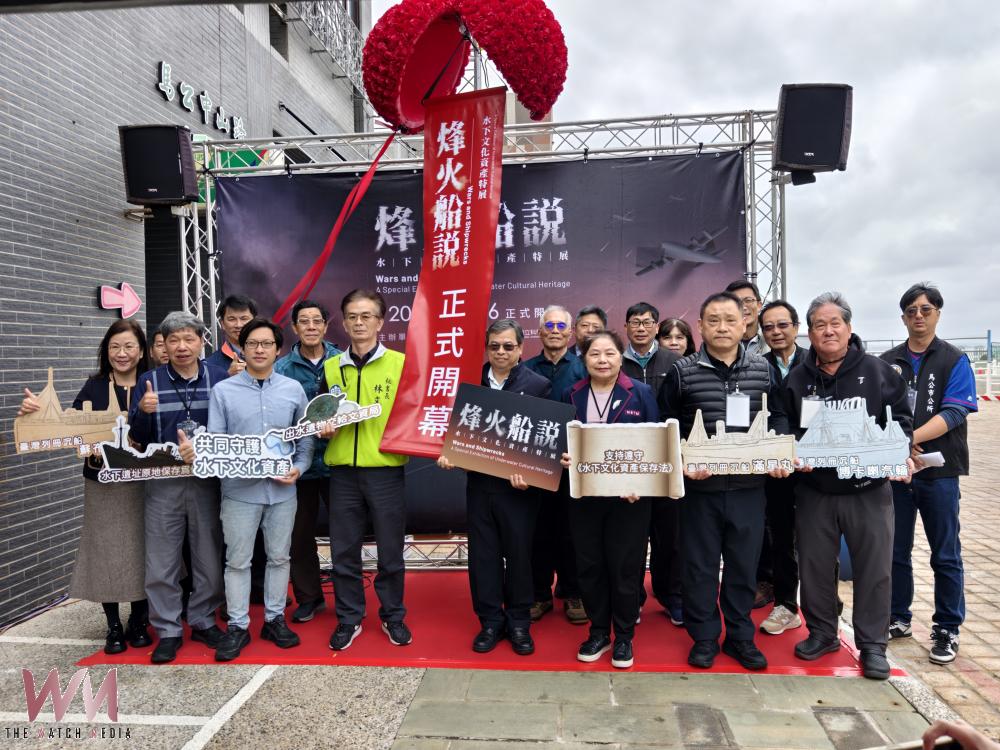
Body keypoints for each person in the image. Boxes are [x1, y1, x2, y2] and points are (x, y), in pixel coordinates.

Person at [784, 292, 914, 680]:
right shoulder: (798, 379)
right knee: (815, 566)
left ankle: (873, 645)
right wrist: (792, 450)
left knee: (874, 569)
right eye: (819, 325)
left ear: (848, 327)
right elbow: (782, 422)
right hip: (815, 491)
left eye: (834, 323)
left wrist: (898, 452)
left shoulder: (879, 371)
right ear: (809, 333)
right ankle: (823, 633)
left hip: (868, 490)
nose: (828, 331)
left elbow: (902, 421)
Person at [658, 291, 789, 672]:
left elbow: (779, 417)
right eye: (713, 320)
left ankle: (739, 637)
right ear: (700, 325)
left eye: (730, 319)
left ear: (745, 323)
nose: (722, 327)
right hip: (699, 491)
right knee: (698, 567)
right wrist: (683, 461)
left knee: (743, 567)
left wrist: (779, 453)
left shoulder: (764, 370)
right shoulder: (682, 372)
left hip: (749, 489)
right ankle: (703, 637)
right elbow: (666, 425)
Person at [180, 318, 314, 661]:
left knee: (279, 557)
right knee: (238, 561)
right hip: (239, 493)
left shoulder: (293, 390)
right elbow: (217, 442)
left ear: (278, 349)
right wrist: (201, 452)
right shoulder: (224, 391)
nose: (259, 349)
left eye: (267, 344)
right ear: (242, 348)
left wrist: (299, 468)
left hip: (282, 493)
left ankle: (274, 620)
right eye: (252, 343)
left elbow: (305, 440)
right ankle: (238, 626)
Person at [18, 320, 152, 654]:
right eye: (114, 347)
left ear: (141, 351)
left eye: (129, 346)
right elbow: (70, 425)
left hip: (145, 482)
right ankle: (113, 625)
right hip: (101, 483)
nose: (122, 353)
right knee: (105, 551)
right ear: (106, 352)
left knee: (144, 548)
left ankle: (139, 619)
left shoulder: (153, 382)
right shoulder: (94, 386)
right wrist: (33, 414)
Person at [437, 320, 551, 655]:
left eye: (508, 346)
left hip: (520, 491)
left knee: (519, 556)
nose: (501, 352)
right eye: (494, 346)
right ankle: (489, 621)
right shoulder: (469, 383)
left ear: (521, 349)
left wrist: (532, 473)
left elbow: (547, 439)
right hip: (479, 485)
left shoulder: (538, 385)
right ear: (486, 348)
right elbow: (453, 430)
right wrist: (450, 452)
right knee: (483, 557)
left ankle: (519, 622)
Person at [880, 283, 977, 665]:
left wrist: (910, 439)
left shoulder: (954, 360)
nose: (918, 316)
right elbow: (875, 411)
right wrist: (898, 446)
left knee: (945, 553)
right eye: (911, 311)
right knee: (895, 550)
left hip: (940, 472)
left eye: (925, 309)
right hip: (899, 472)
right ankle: (898, 617)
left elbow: (955, 412)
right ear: (903, 317)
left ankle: (947, 627)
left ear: (937, 313)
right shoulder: (887, 361)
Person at [129, 311, 230, 664]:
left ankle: (203, 619)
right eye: (174, 340)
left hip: (207, 480)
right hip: (163, 481)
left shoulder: (219, 379)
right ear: (164, 345)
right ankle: (168, 629)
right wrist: (143, 412)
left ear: (202, 342)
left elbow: (230, 428)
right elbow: (138, 439)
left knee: (209, 557)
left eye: (189, 339)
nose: (182, 346)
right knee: (161, 560)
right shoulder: (149, 381)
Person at [318, 289, 411, 651]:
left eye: (367, 316)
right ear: (343, 323)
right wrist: (323, 427)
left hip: (385, 471)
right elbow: (319, 413)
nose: (359, 323)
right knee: (343, 551)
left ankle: (393, 615)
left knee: (391, 551)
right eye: (353, 316)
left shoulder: (400, 364)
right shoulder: (331, 367)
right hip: (343, 473)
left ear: (380, 322)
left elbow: (414, 413)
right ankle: (349, 618)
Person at [561, 330, 660, 669]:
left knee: (625, 568)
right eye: (594, 354)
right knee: (590, 566)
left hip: (629, 500)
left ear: (621, 357)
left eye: (609, 353)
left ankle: (625, 636)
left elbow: (656, 444)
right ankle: (599, 632)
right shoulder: (571, 394)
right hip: (585, 498)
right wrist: (563, 457)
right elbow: (559, 441)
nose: (602, 360)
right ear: (583, 359)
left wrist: (641, 483)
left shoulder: (641, 393)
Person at [274, 299, 342, 623]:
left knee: (345, 534)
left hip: (338, 462)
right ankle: (309, 598)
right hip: (298, 466)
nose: (311, 326)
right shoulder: (281, 369)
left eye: (317, 321)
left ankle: (348, 599)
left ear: (326, 326)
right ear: (294, 327)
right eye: (304, 321)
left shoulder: (342, 362)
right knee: (299, 536)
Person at [523, 305, 587, 625]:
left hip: (572, 465)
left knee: (572, 533)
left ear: (570, 332)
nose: (555, 331)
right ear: (539, 331)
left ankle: (574, 593)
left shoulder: (583, 368)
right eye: (549, 325)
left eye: (561, 326)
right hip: (534, 464)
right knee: (538, 532)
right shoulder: (525, 369)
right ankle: (539, 594)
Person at [621, 302, 682, 625]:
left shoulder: (675, 362)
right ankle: (633, 599)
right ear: (626, 327)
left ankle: (671, 595)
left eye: (647, 322)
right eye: (635, 322)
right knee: (631, 536)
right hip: (629, 462)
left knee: (669, 535)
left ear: (657, 327)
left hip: (667, 460)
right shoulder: (617, 362)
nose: (641, 327)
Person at [756, 300, 806, 634]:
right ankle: (786, 605)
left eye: (782, 325)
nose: (775, 332)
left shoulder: (815, 362)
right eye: (769, 327)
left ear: (796, 327)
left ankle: (826, 607)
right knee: (782, 538)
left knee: (820, 540)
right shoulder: (758, 367)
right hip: (775, 468)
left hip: (814, 466)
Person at [206, 294, 257, 376]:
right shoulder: (210, 365)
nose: (238, 325)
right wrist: (227, 376)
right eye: (232, 319)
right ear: (222, 324)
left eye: (244, 319)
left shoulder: (272, 356)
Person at [725, 280, 766, 355]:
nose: (743, 307)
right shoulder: (721, 340)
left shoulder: (771, 336)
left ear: (759, 306)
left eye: (748, 300)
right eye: (736, 302)